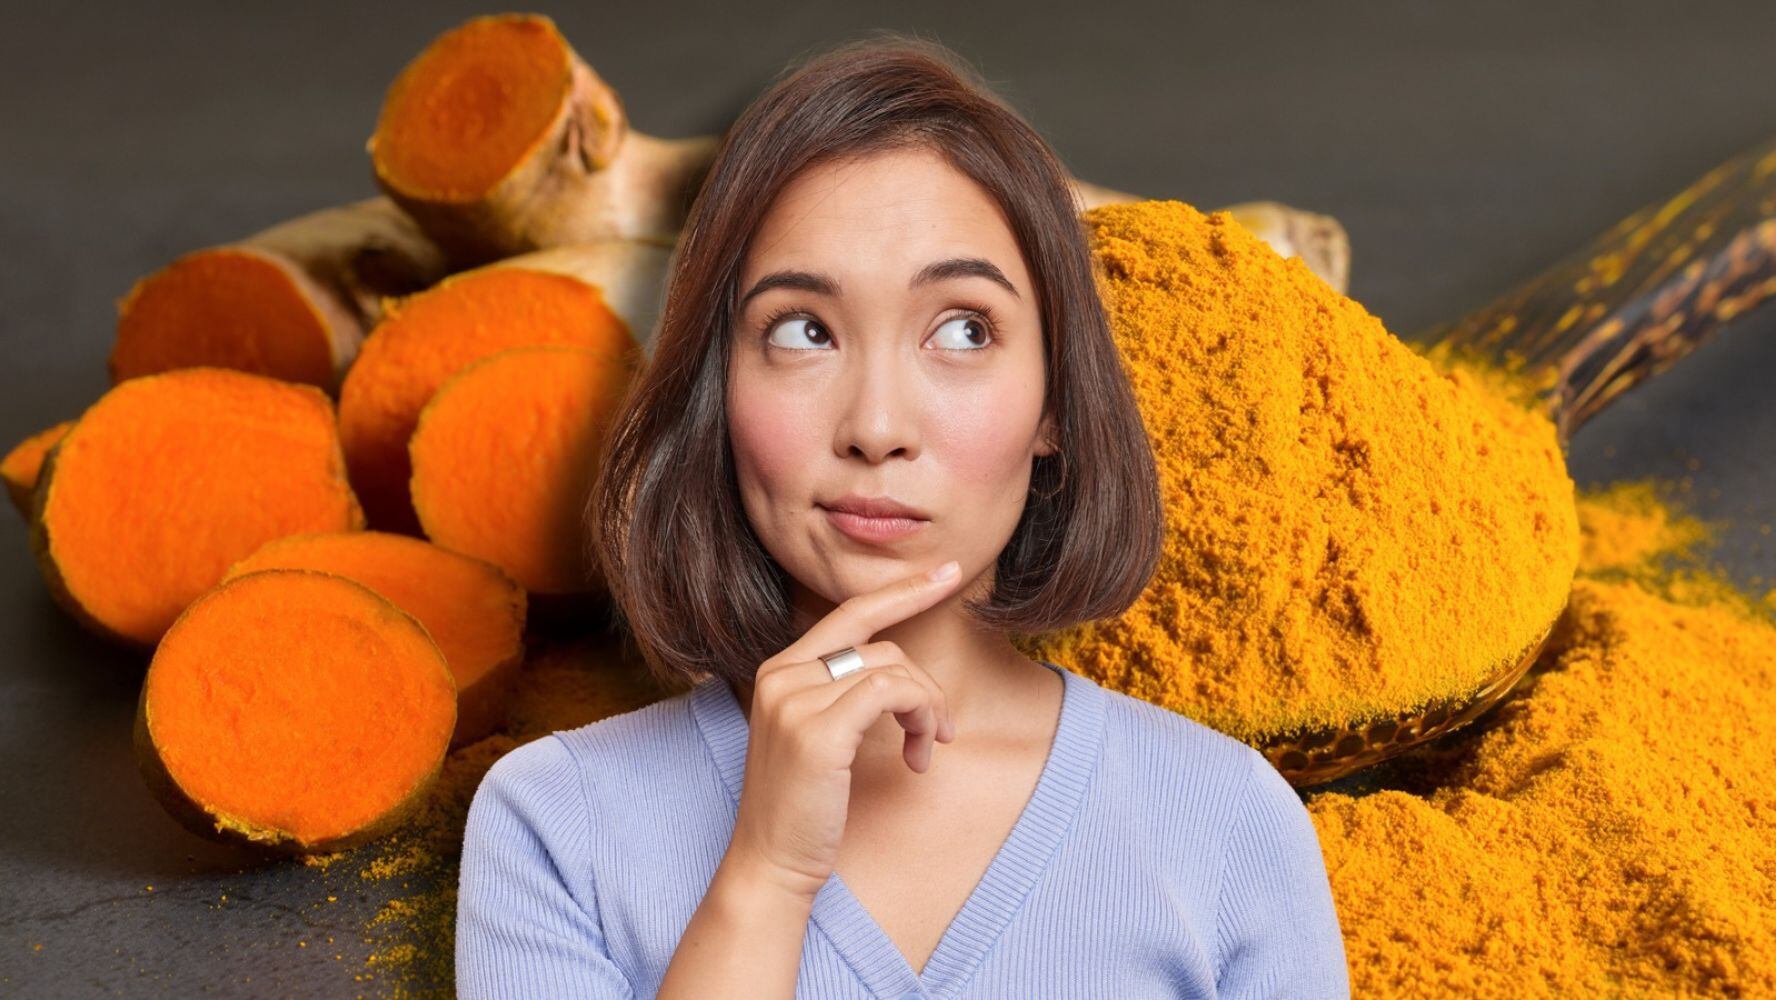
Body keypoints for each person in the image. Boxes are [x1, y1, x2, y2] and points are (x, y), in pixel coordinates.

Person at [456, 31, 1349, 999]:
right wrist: (765, 874)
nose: (876, 427)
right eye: (803, 331)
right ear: (716, 392)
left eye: (963, 330)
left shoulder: (1227, 823)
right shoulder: (553, 825)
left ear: (1054, 403)